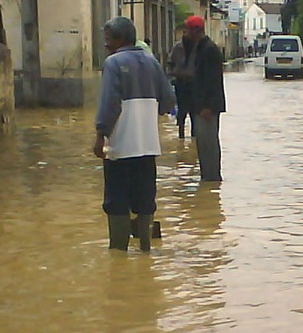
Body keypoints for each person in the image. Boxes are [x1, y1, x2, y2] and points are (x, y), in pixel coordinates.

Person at [94, 17, 175, 252]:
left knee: (116, 201)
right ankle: (146, 249)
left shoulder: (113, 63)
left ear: (119, 39)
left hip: (120, 146)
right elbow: (169, 100)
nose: (106, 44)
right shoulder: (152, 62)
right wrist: (149, 115)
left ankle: (118, 251)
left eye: (108, 39)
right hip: (148, 145)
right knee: (145, 198)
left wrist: (101, 134)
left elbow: (109, 104)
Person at [184, 16, 226, 182]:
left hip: (207, 108)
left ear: (196, 31)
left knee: (208, 145)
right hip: (200, 106)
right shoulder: (199, 47)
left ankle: (212, 178)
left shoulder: (209, 49)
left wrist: (208, 106)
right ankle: (207, 178)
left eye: (187, 30)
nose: (185, 34)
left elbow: (213, 80)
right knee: (202, 144)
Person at [168, 30, 196, 139]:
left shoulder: (197, 48)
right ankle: (181, 135)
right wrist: (173, 75)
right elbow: (170, 63)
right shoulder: (177, 48)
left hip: (194, 85)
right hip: (180, 84)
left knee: (194, 112)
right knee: (181, 111)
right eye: (184, 33)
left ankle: (194, 136)